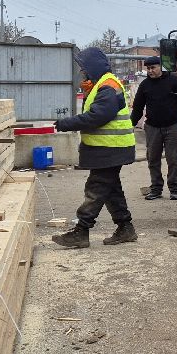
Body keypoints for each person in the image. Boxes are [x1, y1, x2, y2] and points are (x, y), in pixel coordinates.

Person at [51, 47, 138, 248]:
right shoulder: (102, 84)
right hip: (109, 149)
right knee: (111, 190)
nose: (82, 71)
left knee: (96, 188)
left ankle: (81, 231)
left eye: (84, 67)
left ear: (93, 67)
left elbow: (98, 116)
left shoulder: (107, 86)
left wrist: (67, 123)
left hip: (111, 149)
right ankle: (126, 228)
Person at [130, 56, 177, 201]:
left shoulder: (174, 81)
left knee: (174, 159)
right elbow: (138, 108)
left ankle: (174, 189)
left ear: (160, 67)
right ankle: (156, 189)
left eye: (153, 68)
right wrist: (131, 125)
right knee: (153, 159)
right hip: (153, 127)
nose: (150, 71)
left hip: (172, 127)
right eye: (148, 69)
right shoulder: (145, 85)